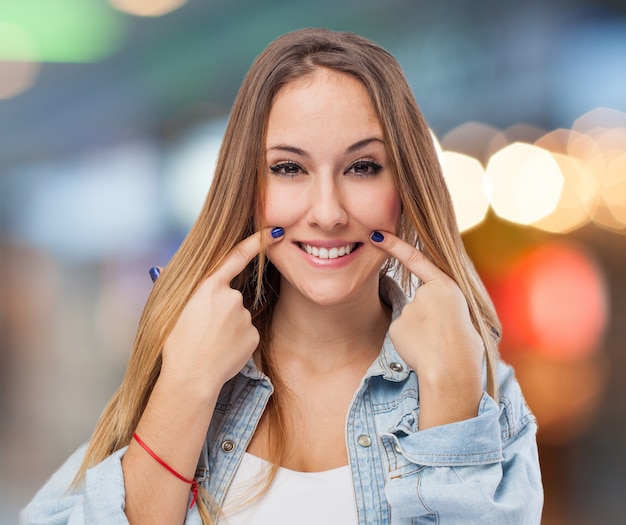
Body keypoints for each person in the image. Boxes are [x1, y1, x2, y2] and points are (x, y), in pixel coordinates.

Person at [21, 28, 543, 524]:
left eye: (362, 167)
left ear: (405, 186)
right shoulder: (190, 363)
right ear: (248, 191)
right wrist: (184, 387)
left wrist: (451, 396)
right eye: (289, 168)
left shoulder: (480, 387)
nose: (328, 212)